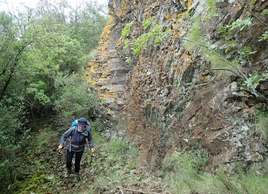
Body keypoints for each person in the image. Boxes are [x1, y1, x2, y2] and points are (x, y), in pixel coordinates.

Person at [58, 117, 95, 182]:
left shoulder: (87, 132)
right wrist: (61, 144)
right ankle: (69, 170)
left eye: (82, 126)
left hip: (80, 149)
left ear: (85, 126)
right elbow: (64, 136)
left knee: (77, 163)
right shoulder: (73, 129)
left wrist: (91, 146)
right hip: (71, 148)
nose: (81, 127)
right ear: (78, 125)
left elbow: (90, 139)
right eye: (80, 126)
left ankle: (76, 175)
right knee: (68, 162)